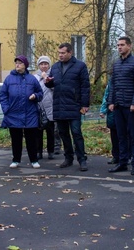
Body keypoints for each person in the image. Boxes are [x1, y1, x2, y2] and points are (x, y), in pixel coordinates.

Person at [45, 43, 90, 171]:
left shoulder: (80, 66)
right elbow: (52, 84)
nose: (60, 55)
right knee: (63, 133)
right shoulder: (55, 67)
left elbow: (85, 86)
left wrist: (85, 104)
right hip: (59, 105)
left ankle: (82, 159)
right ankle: (68, 158)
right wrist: (48, 83)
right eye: (59, 53)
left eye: (63, 53)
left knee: (76, 133)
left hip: (74, 105)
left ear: (70, 53)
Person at [107, 37, 134, 176]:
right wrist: (111, 102)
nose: (119, 47)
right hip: (118, 105)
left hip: (130, 106)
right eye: (118, 45)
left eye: (122, 45)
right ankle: (123, 162)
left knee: (133, 136)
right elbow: (113, 85)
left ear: (129, 46)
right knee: (121, 135)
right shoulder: (116, 64)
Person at [0, 55, 43, 169]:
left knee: (31, 139)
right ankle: (16, 159)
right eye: (16, 63)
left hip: (30, 114)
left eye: (20, 63)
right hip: (13, 114)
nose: (17, 65)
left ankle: (34, 160)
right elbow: (3, 95)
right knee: (16, 139)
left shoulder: (32, 79)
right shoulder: (9, 79)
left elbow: (40, 93)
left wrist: (36, 95)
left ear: (25, 65)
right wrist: (6, 109)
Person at [34, 55, 55, 160]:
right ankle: (39, 152)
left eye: (46, 64)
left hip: (50, 106)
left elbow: (55, 88)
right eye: (41, 64)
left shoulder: (53, 75)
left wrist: (47, 78)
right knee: (38, 131)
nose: (43, 66)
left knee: (50, 131)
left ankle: (51, 151)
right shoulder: (35, 77)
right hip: (38, 106)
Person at [99, 81, 119, 165]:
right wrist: (103, 110)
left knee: (126, 135)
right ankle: (116, 156)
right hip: (112, 112)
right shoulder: (111, 82)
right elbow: (106, 96)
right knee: (114, 136)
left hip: (124, 110)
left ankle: (126, 156)